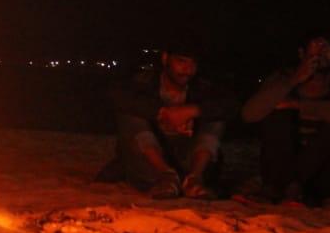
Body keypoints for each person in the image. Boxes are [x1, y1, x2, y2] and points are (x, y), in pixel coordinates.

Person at [101, 41, 238, 199]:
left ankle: (194, 179)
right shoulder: (143, 83)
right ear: (165, 58)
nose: (188, 69)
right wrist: (163, 113)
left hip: (187, 162)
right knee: (129, 115)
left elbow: (232, 106)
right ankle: (165, 176)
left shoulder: (202, 88)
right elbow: (116, 96)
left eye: (193, 63)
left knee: (215, 119)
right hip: (149, 165)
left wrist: (192, 111)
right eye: (181, 61)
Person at [240, 35, 330, 205]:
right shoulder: (283, 77)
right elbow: (249, 114)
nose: (323, 52)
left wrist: (296, 104)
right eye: (317, 46)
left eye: (328, 48)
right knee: (275, 114)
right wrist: (294, 79)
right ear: (302, 53)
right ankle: (280, 187)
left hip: (319, 175)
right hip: (278, 171)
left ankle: (292, 186)